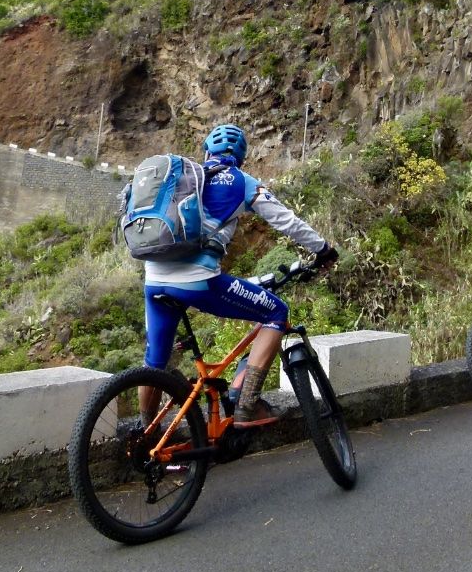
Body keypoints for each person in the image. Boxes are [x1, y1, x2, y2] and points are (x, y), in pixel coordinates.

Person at [139, 123, 338, 428]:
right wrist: (324, 250)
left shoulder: (181, 176)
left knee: (155, 363)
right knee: (276, 312)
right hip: (198, 281)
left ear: (206, 151)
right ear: (241, 158)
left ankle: (145, 434)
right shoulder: (242, 182)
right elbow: (288, 222)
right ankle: (248, 405)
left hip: (153, 277)